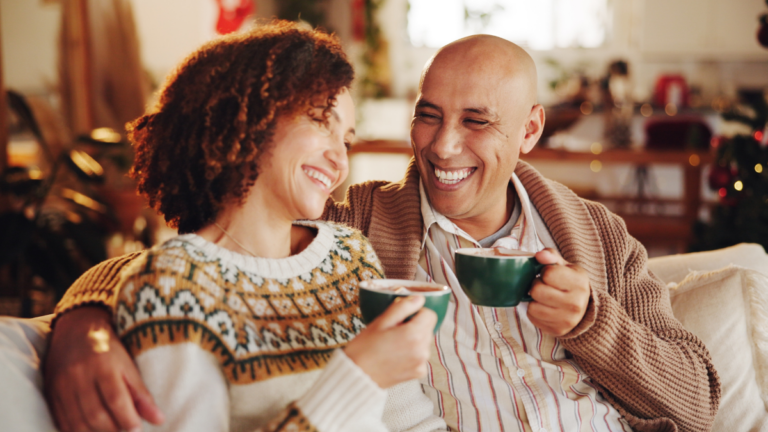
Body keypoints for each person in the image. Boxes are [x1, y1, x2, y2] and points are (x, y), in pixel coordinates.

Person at [43, 35, 720, 432]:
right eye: (429, 116)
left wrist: (593, 324)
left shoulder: (594, 233)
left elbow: (698, 401)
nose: (443, 146)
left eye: (477, 121)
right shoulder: (353, 232)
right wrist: (84, 326)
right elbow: (211, 253)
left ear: (532, 130)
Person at [40, 21, 447, 432]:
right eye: (321, 121)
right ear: (246, 120)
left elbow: (411, 421)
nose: (339, 160)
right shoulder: (172, 288)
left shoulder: (350, 255)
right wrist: (358, 375)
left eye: (346, 140)